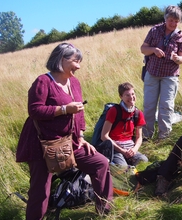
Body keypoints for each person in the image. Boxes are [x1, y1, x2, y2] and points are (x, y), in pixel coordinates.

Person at [16, 43, 113, 219]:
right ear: (62, 59)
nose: (79, 66)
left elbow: (79, 112)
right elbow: (34, 110)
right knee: (41, 190)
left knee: (100, 163)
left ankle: (104, 211)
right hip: (42, 144)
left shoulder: (74, 82)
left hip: (71, 142)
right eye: (76, 61)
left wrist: (82, 137)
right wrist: (63, 109)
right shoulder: (43, 82)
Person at [140, 5, 182, 140]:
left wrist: (178, 58)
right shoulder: (154, 31)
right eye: (171, 20)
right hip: (152, 73)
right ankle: (146, 135)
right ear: (165, 18)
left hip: (170, 75)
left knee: (166, 106)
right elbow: (143, 49)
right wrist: (154, 50)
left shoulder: (181, 36)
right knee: (149, 105)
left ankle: (164, 136)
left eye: (176, 21)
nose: (173, 23)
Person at [97, 82, 148, 167]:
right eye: (127, 95)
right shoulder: (114, 111)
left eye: (132, 94)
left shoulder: (138, 113)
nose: (131, 97)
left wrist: (134, 150)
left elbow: (139, 137)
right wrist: (122, 151)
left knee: (143, 160)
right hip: (115, 147)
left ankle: (127, 164)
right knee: (122, 167)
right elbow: (104, 136)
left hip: (130, 147)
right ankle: (116, 164)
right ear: (121, 97)